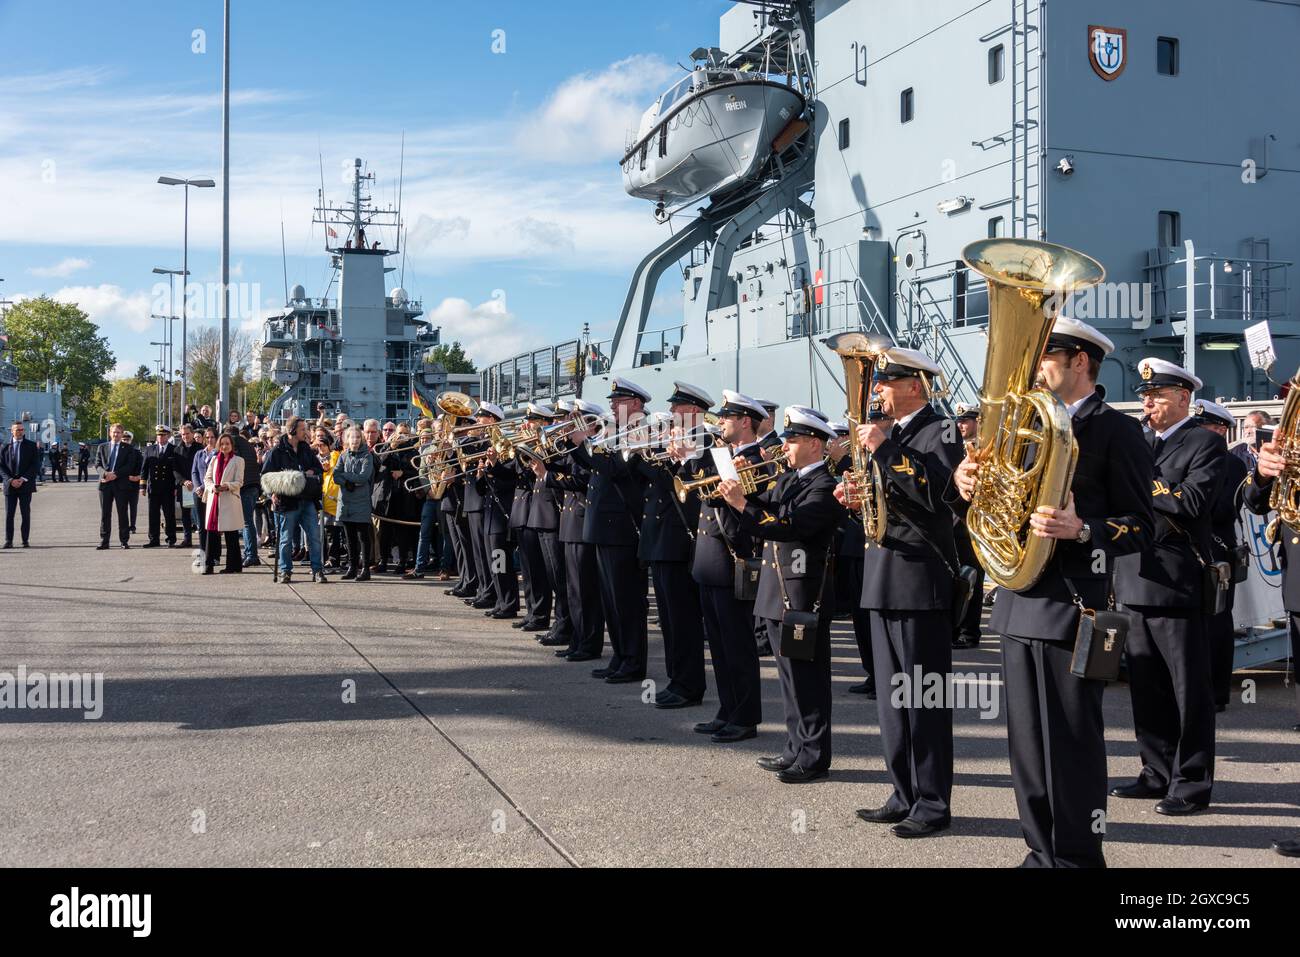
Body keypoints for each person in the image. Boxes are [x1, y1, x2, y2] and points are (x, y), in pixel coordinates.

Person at [955, 317, 1153, 867]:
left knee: (1070, 743)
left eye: (1045, 357)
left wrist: (1084, 528)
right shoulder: (1023, 424)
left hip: (1072, 609)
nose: (1033, 369)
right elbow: (991, 503)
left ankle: (1078, 858)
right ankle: (1040, 852)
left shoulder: (1117, 431)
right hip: (1019, 604)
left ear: (1079, 362)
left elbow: (1143, 526)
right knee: (1026, 747)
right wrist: (964, 483)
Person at [843, 346, 962, 837]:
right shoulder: (891, 435)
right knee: (893, 700)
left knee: (924, 699)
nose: (877, 391)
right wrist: (853, 499)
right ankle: (903, 792)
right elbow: (886, 503)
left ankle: (933, 802)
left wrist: (886, 449)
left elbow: (937, 494)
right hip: (883, 576)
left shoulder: (941, 431)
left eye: (885, 383)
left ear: (915, 385)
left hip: (920, 580)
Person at [1110, 357, 1223, 816]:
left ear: (1183, 398)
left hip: (1176, 583)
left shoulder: (1203, 444)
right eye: (1145, 395)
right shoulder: (1138, 441)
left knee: (1187, 691)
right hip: (1134, 576)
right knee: (1147, 687)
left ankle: (1191, 783)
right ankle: (1155, 772)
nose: (1148, 402)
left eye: (1157, 395)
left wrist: (1143, 481)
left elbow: (1193, 502)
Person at [721, 407, 841, 782]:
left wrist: (743, 505)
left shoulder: (824, 486)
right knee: (788, 678)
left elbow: (790, 527)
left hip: (802, 595)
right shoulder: (791, 479)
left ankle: (814, 755)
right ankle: (794, 748)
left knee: (808, 679)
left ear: (814, 444)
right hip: (778, 591)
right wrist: (737, 495)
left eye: (792, 440)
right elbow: (767, 508)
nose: (784, 446)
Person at [632, 382, 711, 709]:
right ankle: (676, 679)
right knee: (669, 621)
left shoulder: (704, 442)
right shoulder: (678, 441)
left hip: (681, 542)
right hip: (661, 542)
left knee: (683, 621)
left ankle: (689, 684)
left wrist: (680, 461)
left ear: (693, 410)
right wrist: (642, 452)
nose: (674, 413)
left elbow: (693, 496)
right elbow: (652, 482)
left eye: (678, 409)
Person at [567, 378, 650, 683]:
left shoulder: (639, 431)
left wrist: (583, 444)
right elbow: (594, 467)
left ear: (637, 404)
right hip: (604, 526)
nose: (613, 405)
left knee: (626, 599)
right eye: (613, 401)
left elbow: (616, 470)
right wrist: (574, 446)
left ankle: (632, 660)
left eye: (620, 400)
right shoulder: (615, 431)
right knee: (611, 599)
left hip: (622, 527)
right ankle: (619, 655)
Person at [535, 400, 606, 663]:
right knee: (574, 589)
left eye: (578, 422)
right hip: (570, 521)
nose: (570, 427)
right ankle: (578, 639)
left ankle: (588, 643)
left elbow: (581, 479)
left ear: (591, 425)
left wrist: (547, 475)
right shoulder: (579, 448)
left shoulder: (593, 448)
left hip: (580, 520)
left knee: (585, 590)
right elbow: (568, 469)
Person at [1194, 399, 1250, 713]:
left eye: (1204, 428)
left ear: (1220, 430)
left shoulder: (1233, 465)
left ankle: (1217, 692)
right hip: (1195, 547)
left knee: (1217, 620)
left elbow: (1225, 508)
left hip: (1217, 548)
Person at [261, 415, 328, 584]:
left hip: (307, 500)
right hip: (287, 501)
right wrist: (274, 492)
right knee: (285, 539)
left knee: (314, 537)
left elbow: (319, 470)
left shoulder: (306, 449)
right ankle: (285, 571)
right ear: (292, 430)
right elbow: (266, 476)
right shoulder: (276, 451)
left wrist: (312, 472)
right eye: (302, 429)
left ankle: (317, 570)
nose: (305, 432)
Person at [950, 403, 984, 649]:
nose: (961, 424)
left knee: (973, 581)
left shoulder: (985, 448)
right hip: (951, 522)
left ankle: (969, 632)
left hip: (973, 523)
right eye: (959, 420)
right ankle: (953, 628)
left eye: (966, 420)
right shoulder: (953, 448)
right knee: (955, 579)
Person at [202, 432, 246, 574]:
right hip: (214, 498)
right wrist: (212, 487)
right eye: (222, 444)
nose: (224, 446)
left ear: (232, 445)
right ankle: (209, 564)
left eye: (227, 444)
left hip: (229, 500)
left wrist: (226, 485)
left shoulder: (238, 460)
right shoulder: (214, 459)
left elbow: (239, 481)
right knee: (211, 533)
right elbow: (207, 478)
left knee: (231, 535)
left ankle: (234, 565)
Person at [335, 426, 375, 581]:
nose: (355, 440)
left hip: (361, 501)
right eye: (352, 437)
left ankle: (365, 568)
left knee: (363, 536)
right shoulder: (343, 456)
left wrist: (346, 477)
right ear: (347, 439)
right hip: (346, 501)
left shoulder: (367, 456)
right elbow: (335, 476)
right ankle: (352, 567)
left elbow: (363, 477)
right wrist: (347, 481)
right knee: (349, 536)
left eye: (358, 437)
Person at [96, 424, 140, 549]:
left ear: (122, 434)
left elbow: (129, 465)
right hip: (105, 485)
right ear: (110, 433)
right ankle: (104, 541)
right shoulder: (102, 447)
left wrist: (115, 474)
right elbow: (98, 464)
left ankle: (124, 541)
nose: (116, 435)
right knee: (105, 514)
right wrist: (104, 474)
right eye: (114, 432)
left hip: (121, 484)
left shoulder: (128, 448)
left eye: (119, 432)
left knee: (122, 513)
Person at [138, 425, 180, 548]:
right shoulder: (150, 449)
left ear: (168, 436)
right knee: (153, 514)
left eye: (163, 435)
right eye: (159, 435)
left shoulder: (174, 449)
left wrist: (177, 487)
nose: (161, 437)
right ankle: (153, 539)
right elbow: (144, 469)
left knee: (169, 514)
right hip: (154, 488)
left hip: (168, 488)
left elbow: (177, 470)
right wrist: (142, 487)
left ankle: (171, 539)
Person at [1, 421, 40, 548]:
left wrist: (23, 479)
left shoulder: (31, 446)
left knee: (25, 513)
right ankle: (8, 540)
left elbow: (35, 465)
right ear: (11, 431)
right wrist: (10, 480)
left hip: (25, 485)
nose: (20, 432)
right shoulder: (4, 446)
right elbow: (1, 467)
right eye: (17, 430)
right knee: (9, 514)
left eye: (22, 430)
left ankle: (25, 540)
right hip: (9, 485)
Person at [172, 423, 202, 549]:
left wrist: (196, 482)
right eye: (183, 434)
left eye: (187, 434)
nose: (185, 436)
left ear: (192, 433)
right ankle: (187, 539)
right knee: (186, 514)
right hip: (185, 487)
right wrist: (184, 481)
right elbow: (175, 470)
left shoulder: (200, 448)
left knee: (200, 514)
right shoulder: (177, 449)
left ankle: (203, 539)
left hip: (199, 486)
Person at [190, 426, 218, 557]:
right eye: (207, 437)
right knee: (201, 525)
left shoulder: (218, 454)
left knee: (213, 525)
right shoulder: (199, 454)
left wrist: (204, 486)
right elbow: (194, 471)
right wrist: (197, 487)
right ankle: (203, 552)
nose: (210, 439)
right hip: (199, 493)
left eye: (212, 437)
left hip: (212, 492)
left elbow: (215, 475)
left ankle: (214, 554)